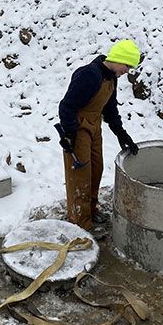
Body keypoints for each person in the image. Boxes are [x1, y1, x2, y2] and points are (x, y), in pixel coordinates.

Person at [58, 39, 141, 231]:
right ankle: (80, 223)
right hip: (78, 129)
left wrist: (122, 134)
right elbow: (67, 105)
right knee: (80, 176)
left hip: (94, 127)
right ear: (119, 58)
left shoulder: (111, 78)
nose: (127, 70)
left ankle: (90, 212)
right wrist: (69, 133)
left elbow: (110, 109)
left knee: (96, 170)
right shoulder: (89, 75)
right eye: (127, 65)